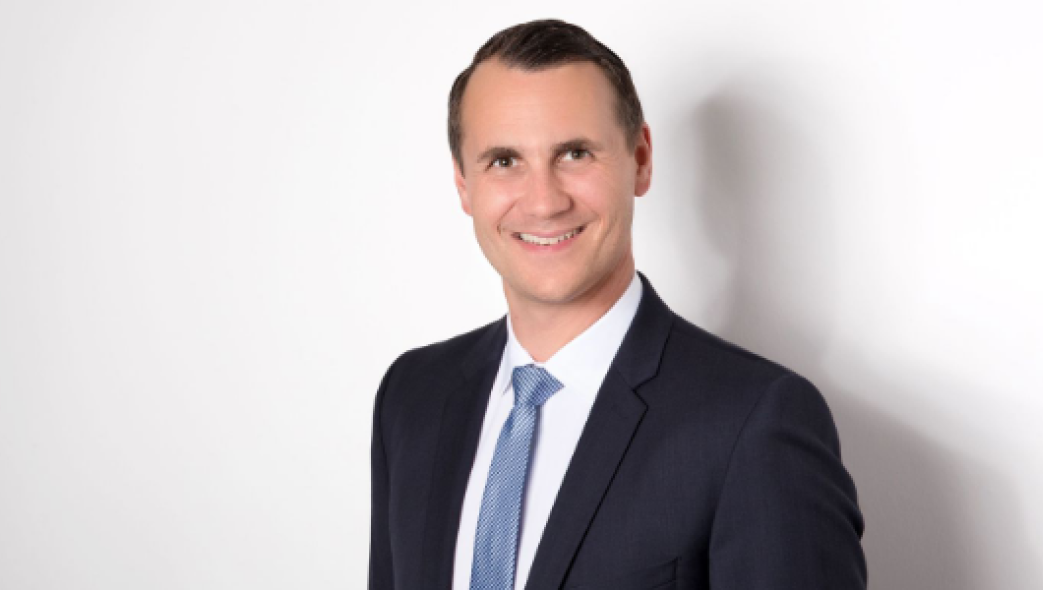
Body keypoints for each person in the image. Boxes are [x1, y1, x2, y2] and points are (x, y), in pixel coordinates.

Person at [369, 19, 866, 590]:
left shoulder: (756, 422)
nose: (544, 202)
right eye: (504, 161)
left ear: (641, 159)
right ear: (463, 183)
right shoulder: (412, 397)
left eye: (575, 153)